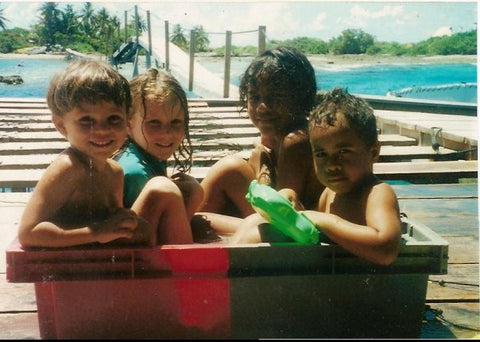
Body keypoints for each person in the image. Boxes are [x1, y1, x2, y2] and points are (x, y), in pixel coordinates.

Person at [233, 88, 402, 266]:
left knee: (255, 233)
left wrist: (321, 219)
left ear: (373, 152)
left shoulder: (377, 193)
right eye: (321, 154)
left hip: (361, 283)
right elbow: (310, 229)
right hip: (329, 273)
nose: (332, 165)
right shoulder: (329, 193)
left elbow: (385, 250)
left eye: (344, 151)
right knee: (254, 222)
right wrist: (293, 205)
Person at [18, 59, 154, 248]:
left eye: (113, 118)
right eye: (86, 120)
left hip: (92, 265)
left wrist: (127, 222)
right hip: (61, 270)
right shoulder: (68, 168)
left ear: (127, 122)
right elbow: (29, 233)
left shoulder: (115, 172)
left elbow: (111, 228)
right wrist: (96, 232)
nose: (102, 130)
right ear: (61, 125)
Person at [195, 46, 325, 237]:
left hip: (295, 235)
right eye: (254, 97)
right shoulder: (280, 138)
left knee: (227, 174)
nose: (262, 107)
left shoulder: (296, 141)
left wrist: (261, 161)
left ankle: (191, 222)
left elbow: (281, 213)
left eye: (275, 97)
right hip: (288, 228)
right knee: (231, 170)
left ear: (301, 98)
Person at [113, 68, 202, 244]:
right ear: (128, 125)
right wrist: (195, 196)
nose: (167, 134)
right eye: (154, 123)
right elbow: (158, 242)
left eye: (176, 122)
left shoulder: (142, 156)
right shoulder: (136, 173)